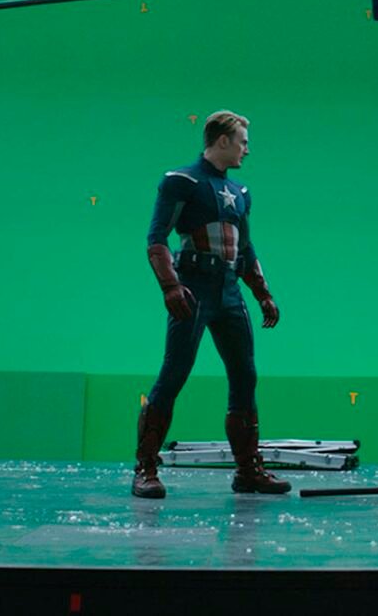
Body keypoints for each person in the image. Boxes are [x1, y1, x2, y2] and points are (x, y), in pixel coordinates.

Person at [134, 110, 289, 498]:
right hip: (193, 288)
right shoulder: (181, 181)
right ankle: (145, 469)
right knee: (175, 372)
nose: (246, 150)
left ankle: (248, 470)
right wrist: (170, 287)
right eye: (242, 142)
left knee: (245, 375)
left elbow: (245, 248)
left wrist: (263, 293)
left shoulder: (241, 192)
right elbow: (156, 238)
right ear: (223, 141)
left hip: (229, 290)